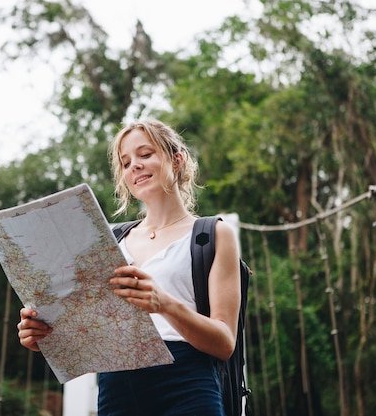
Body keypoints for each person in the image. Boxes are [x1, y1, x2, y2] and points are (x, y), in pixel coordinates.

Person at [17, 118, 241, 416]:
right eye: (125, 162)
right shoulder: (108, 240)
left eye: (145, 154)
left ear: (177, 160)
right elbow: (88, 328)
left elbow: (225, 342)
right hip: (117, 389)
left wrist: (165, 304)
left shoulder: (211, 235)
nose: (134, 165)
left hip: (188, 386)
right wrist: (43, 335)